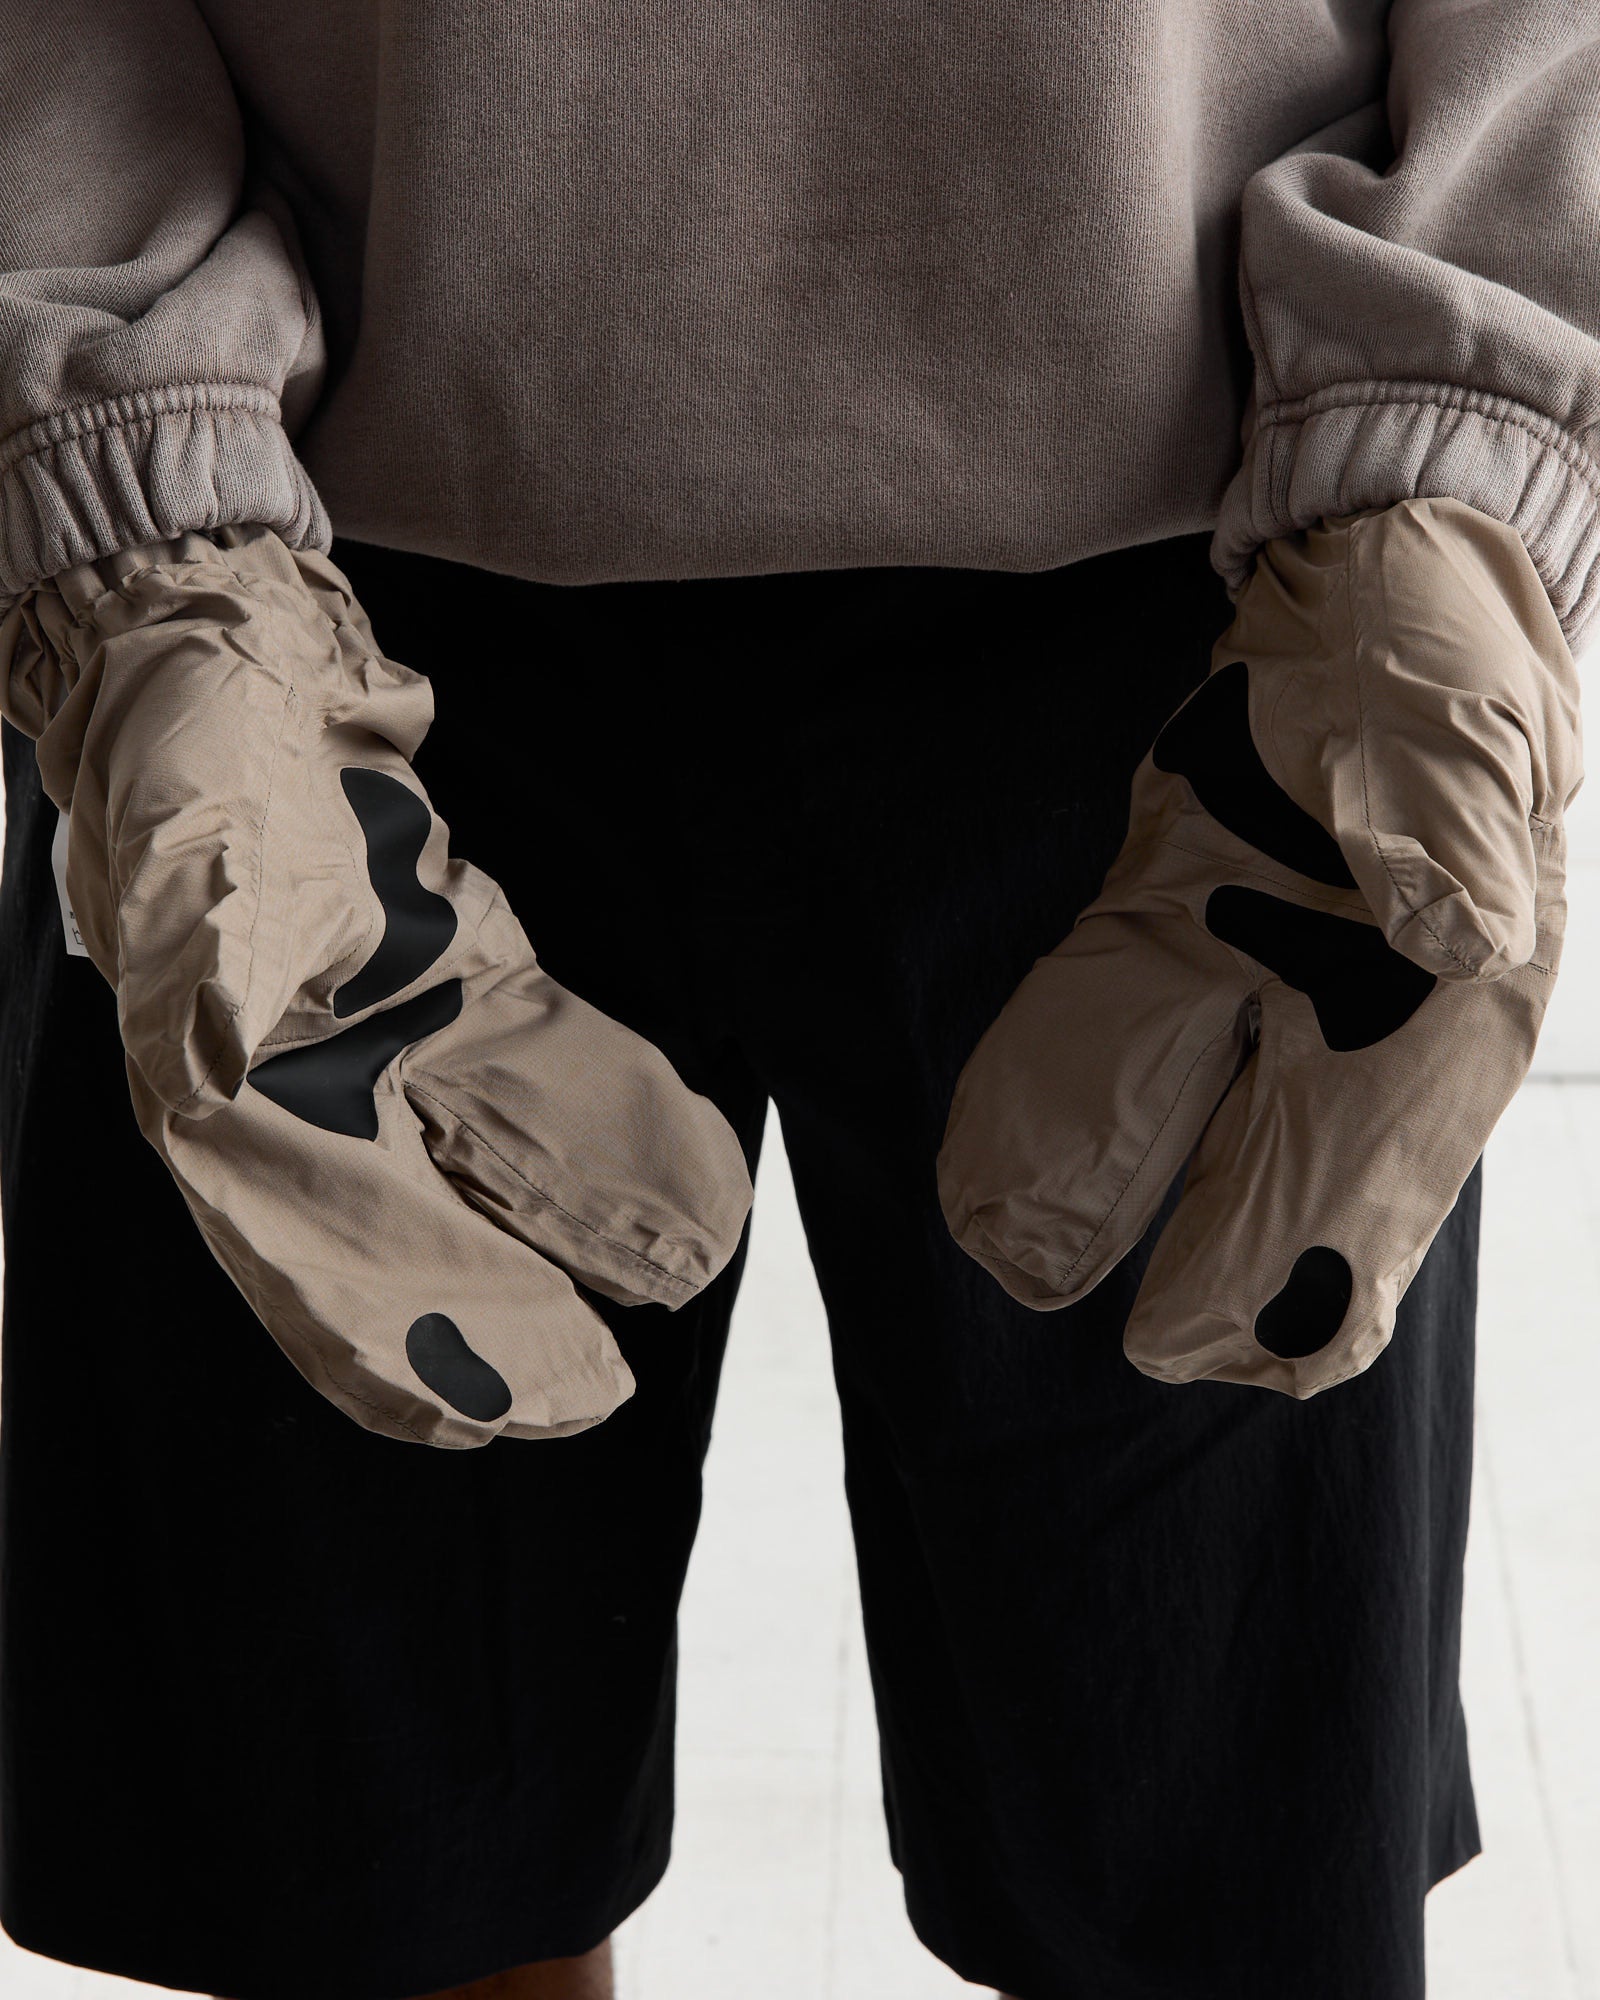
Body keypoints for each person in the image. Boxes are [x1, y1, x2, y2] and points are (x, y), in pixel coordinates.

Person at [0, 6, 1595, 1999]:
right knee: (369, 1884)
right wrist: (127, 519)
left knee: (1209, 1895)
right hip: (301, 590)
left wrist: (1458, 442)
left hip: (1233, 620)